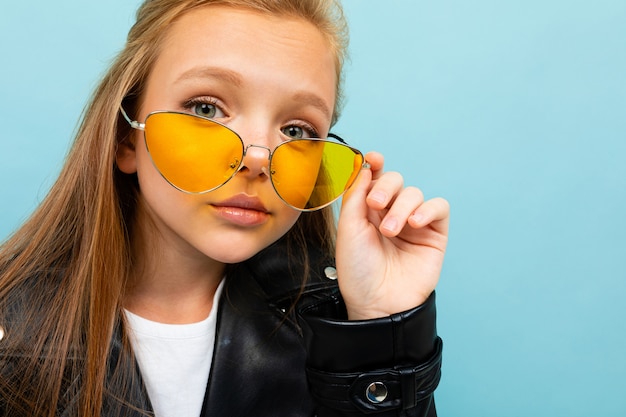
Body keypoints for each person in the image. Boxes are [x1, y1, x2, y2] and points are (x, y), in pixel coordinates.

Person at [0, 0, 450, 416]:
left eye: (296, 130)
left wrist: (381, 333)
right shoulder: (11, 328)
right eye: (206, 108)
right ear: (126, 137)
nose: (259, 157)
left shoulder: (337, 330)